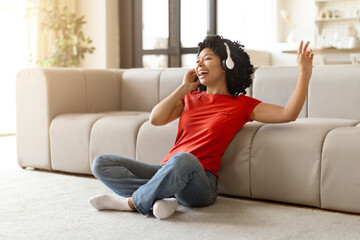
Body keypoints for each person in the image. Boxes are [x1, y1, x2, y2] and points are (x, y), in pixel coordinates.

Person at [89, 35, 314, 220]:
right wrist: (184, 87)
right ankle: (161, 198)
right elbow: (156, 119)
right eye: (197, 60)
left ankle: (131, 203)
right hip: (168, 169)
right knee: (102, 163)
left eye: (207, 58)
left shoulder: (242, 104)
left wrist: (304, 74)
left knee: (184, 159)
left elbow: (288, 114)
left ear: (227, 64)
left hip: (201, 182)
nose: (199, 64)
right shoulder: (191, 97)